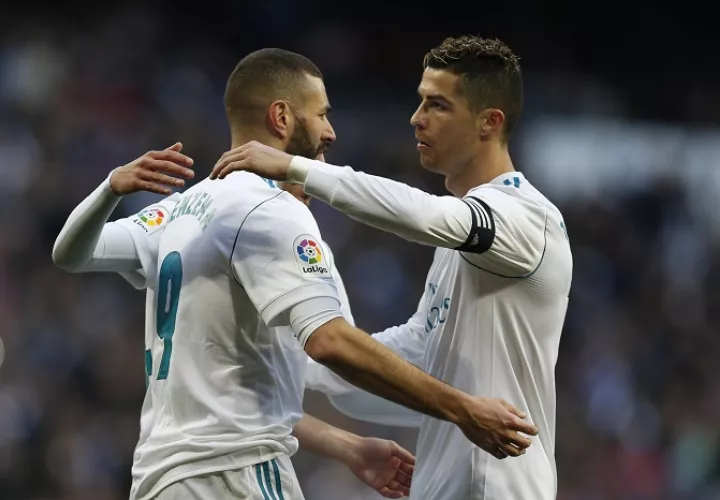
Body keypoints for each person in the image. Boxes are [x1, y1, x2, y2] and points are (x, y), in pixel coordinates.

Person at [53, 48, 537, 500]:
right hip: (238, 473)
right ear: (282, 117)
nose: (331, 132)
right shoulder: (269, 208)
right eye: (322, 113)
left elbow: (71, 253)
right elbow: (329, 343)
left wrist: (110, 189)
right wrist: (462, 409)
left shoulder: (183, 209)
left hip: (160, 477)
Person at [210, 36, 573, 500]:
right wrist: (287, 363)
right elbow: (419, 355)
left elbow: (426, 216)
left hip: (498, 486)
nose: (416, 118)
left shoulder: (528, 219)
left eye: (437, 105)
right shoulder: (459, 247)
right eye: (420, 102)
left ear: (489, 122)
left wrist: (297, 167)